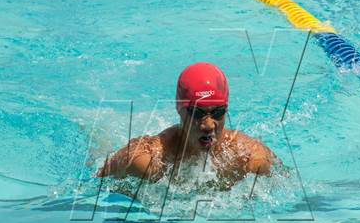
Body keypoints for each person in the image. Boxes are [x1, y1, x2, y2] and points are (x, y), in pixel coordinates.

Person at [96, 62, 277, 190]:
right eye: (197, 113)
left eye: (217, 112)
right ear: (179, 110)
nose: (208, 125)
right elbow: (97, 179)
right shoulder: (149, 160)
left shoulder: (249, 158)